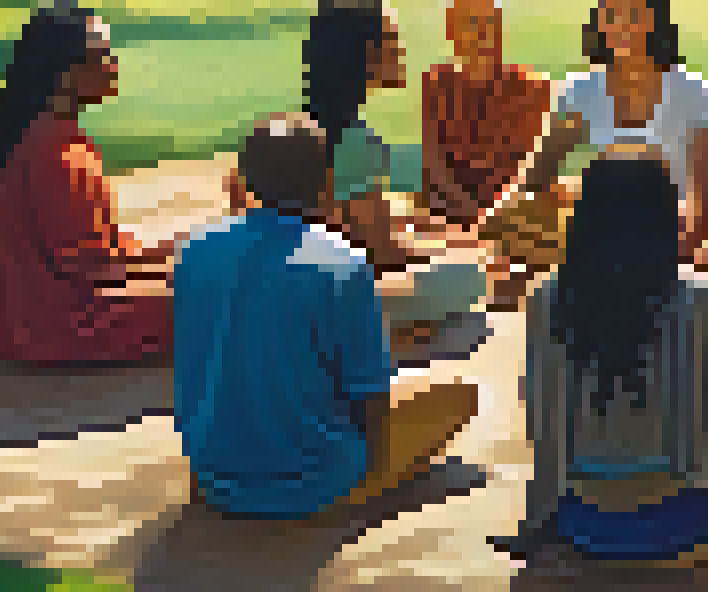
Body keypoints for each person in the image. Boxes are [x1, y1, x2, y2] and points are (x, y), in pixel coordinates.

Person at [176, 113, 480, 520]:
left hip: (214, 476)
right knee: (459, 391)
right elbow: (368, 395)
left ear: (244, 179)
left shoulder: (195, 253)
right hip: (317, 478)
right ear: (325, 180)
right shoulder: (343, 262)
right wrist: (365, 464)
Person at [497, 147, 708, 566]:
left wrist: (537, 521)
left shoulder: (546, 299)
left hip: (584, 526)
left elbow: (545, 422)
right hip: (690, 526)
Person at [480, 0, 708, 312]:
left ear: (654, 20)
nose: (621, 26)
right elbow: (540, 171)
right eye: (611, 15)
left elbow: (703, 196)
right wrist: (507, 215)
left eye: (632, 15)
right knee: (527, 206)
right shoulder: (582, 88)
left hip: (665, 222)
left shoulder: (690, 90)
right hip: (600, 218)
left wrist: (682, 255)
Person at [0, 2, 176, 364]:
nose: (114, 64)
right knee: (226, 302)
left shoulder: (43, 133)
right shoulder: (54, 152)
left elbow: (94, 252)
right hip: (60, 329)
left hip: (23, 325)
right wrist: (180, 265)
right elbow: (95, 265)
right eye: (102, 55)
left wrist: (164, 254)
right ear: (64, 73)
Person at [302, 0, 489, 351]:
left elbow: (350, 220)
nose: (402, 50)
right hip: (333, 299)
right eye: (393, 39)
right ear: (366, 53)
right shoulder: (356, 141)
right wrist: (454, 248)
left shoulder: (302, 124)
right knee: (472, 275)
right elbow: (383, 253)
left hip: (299, 284)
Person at [421, 0, 554, 227]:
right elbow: (435, 168)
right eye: (472, 22)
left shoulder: (533, 89)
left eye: (492, 22)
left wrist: (495, 216)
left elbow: (534, 171)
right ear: (451, 32)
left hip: (513, 217)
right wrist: (474, 216)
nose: (484, 32)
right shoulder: (436, 85)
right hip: (449, 217)